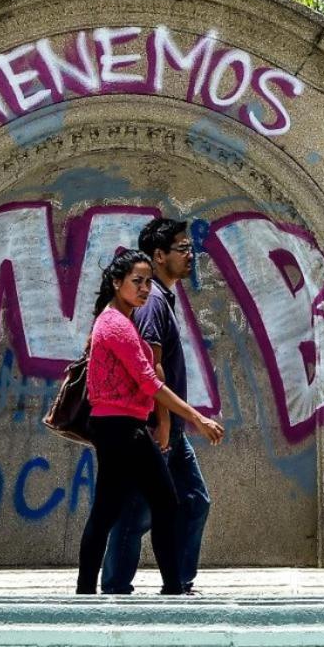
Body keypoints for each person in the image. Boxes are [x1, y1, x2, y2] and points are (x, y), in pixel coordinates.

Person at [76, 250, 223, 596]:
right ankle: (173, 587)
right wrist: (196, 417)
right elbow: (150, 382)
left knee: (107, 510)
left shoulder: (117, 321)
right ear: (117, 283)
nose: (144, 289)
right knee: (165, 503)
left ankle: (85, 592)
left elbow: (148, 373)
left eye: (147, 282)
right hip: (124, 429)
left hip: (115, 426)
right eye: (136, 282)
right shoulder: (116, 325)